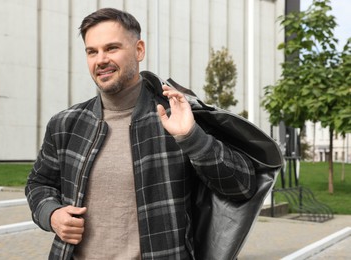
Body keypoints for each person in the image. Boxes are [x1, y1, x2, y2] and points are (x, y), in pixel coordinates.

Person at [25, 8, 258, 259]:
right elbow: (39, 184)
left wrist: (192, 138)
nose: (101, 59)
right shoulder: (65, 124)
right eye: (92, 51)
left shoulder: (177, 117)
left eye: (112, 48)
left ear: (139, 50)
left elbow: (242, 186)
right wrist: (51, 213)